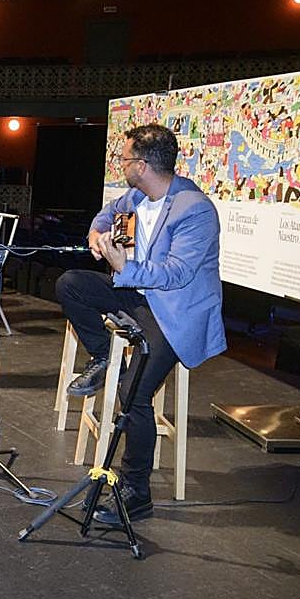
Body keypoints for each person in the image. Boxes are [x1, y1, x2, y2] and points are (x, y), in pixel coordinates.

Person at [59, 123, 226, 525]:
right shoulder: (135, 195)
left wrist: (123, 265)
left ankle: (137, 492)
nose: (120, 164)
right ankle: (102, 357)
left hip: (174, 310)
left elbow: (175, 274)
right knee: (71, 284)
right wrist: (97, 233)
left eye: (124, 158)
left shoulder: (195, 210)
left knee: (133, 395)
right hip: (136, 293)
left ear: (144, 164)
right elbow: (104, 217)